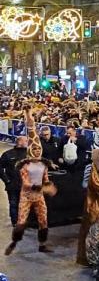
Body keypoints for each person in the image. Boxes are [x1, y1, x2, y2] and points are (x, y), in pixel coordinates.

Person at [6, 109, 57, 255]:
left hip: (39, 196)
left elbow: (46, 179)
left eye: (38, 149)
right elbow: (26, 183)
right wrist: (44, 188)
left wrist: (49, 186)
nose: (36, 151)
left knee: (43, 221)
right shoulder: (25, 165)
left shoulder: (43, 165)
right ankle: (14, 241)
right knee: (21, 221)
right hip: (27, 195)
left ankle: (42, 244)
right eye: (34, 149)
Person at [0, 135, 29, 225]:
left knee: (25, 204)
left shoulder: (29, 154)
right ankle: (15, 222)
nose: (28, 142)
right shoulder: (7, 154)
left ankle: (24, 221)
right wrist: (7, 180)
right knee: (14, 204)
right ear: (20, 142)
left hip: (27, 184)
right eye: (26, 141)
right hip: (12, 185)